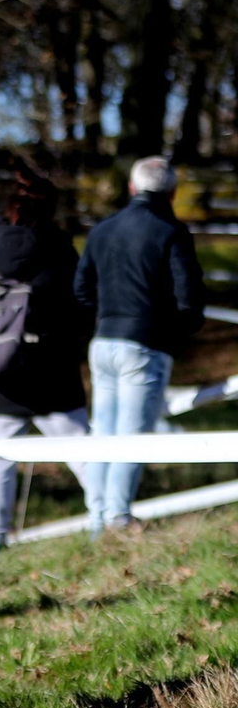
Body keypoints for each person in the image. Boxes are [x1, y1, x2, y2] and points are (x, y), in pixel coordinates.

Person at [74, 156, 205, 535]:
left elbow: (81, 291)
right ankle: (115, 520)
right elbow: (189, 299)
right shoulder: (171, 232)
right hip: (145, 344)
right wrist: (177, 335)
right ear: (173, 192)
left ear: (132, 188)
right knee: (132, 436)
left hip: (103, 341)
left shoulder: (101, 230)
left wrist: (104, 318)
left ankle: (98, 517)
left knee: (104, 435)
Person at [0, 173, 91, 546]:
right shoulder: (59, 249)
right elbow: (80, 304)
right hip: (54, 371)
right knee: (84, 452)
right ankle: (110, 513)